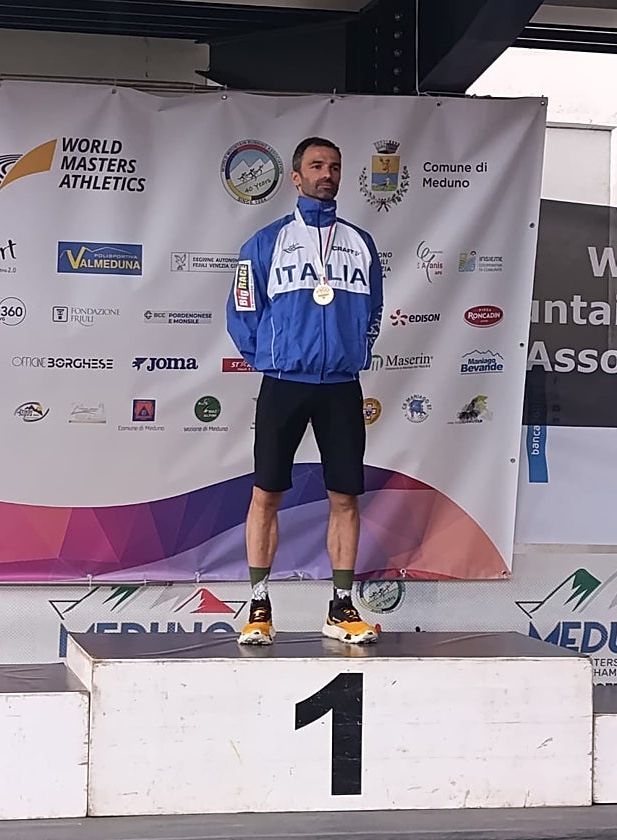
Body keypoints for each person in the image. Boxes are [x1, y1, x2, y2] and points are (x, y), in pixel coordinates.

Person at [226, 136, 384, 646]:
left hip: (340, 384)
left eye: (335, 167)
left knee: (345, 497)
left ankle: (340, 607)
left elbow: (374, 310)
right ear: (296, 177)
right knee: (265, 493)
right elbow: (242, 309)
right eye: (317, 166)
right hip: (284, 383)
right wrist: (270, 357)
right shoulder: (265, 243)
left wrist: (353, 351)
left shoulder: (361, 242)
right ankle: (257, 606)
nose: (327, 174)